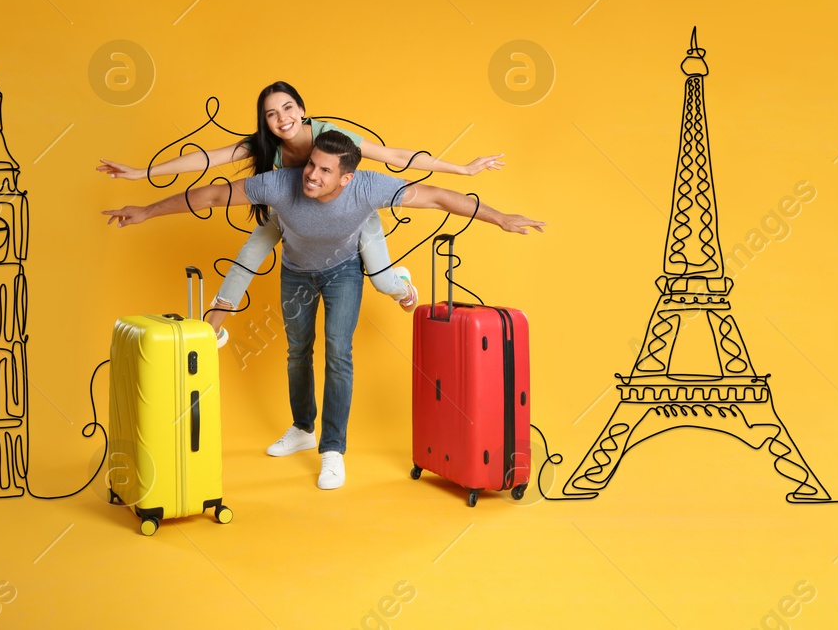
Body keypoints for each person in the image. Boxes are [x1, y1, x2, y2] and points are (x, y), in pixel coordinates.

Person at [103, 131, 545, 490]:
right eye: (311, 164)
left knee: (338, 351)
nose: (311, 174)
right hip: (296, 269)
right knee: (298, 350)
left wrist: (500, 217)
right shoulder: (281, 183)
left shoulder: (369, 187)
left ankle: (332, 449)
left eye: (324, 170)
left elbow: (438, 197)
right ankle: (302, 428)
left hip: (344, 269)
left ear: (347, 177)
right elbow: (213, 196)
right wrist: (145, 210)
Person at [98, 82, 505, 345]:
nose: (282, 119)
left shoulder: (332, 139)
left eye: (288, 108)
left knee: (382, 281)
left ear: (303, 109)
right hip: (294, 207)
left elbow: (398, 156)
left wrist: (464, 168)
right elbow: (204, 162)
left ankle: (402, 285)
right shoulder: (265, 149)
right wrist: (141, 175)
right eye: (272, 114)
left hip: (351, 213)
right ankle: (213, 330)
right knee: (248, 255)